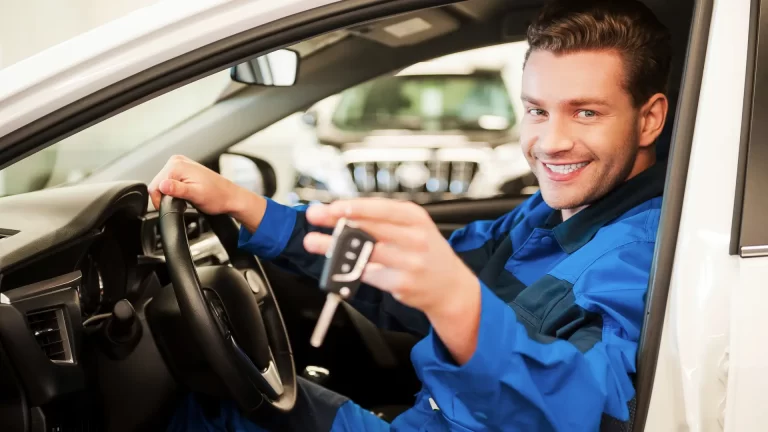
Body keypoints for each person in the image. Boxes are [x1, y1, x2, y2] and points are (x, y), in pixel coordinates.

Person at [156, 0, 671, 430]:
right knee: (220, 401)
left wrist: (458, 303)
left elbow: (590, 409)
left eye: (586, 112)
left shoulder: (644, 256)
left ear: (649, 119)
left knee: (212, 415)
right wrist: (245, 205)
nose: (551, 142)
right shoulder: (548, 214)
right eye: (538, 110)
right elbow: (418, 267)